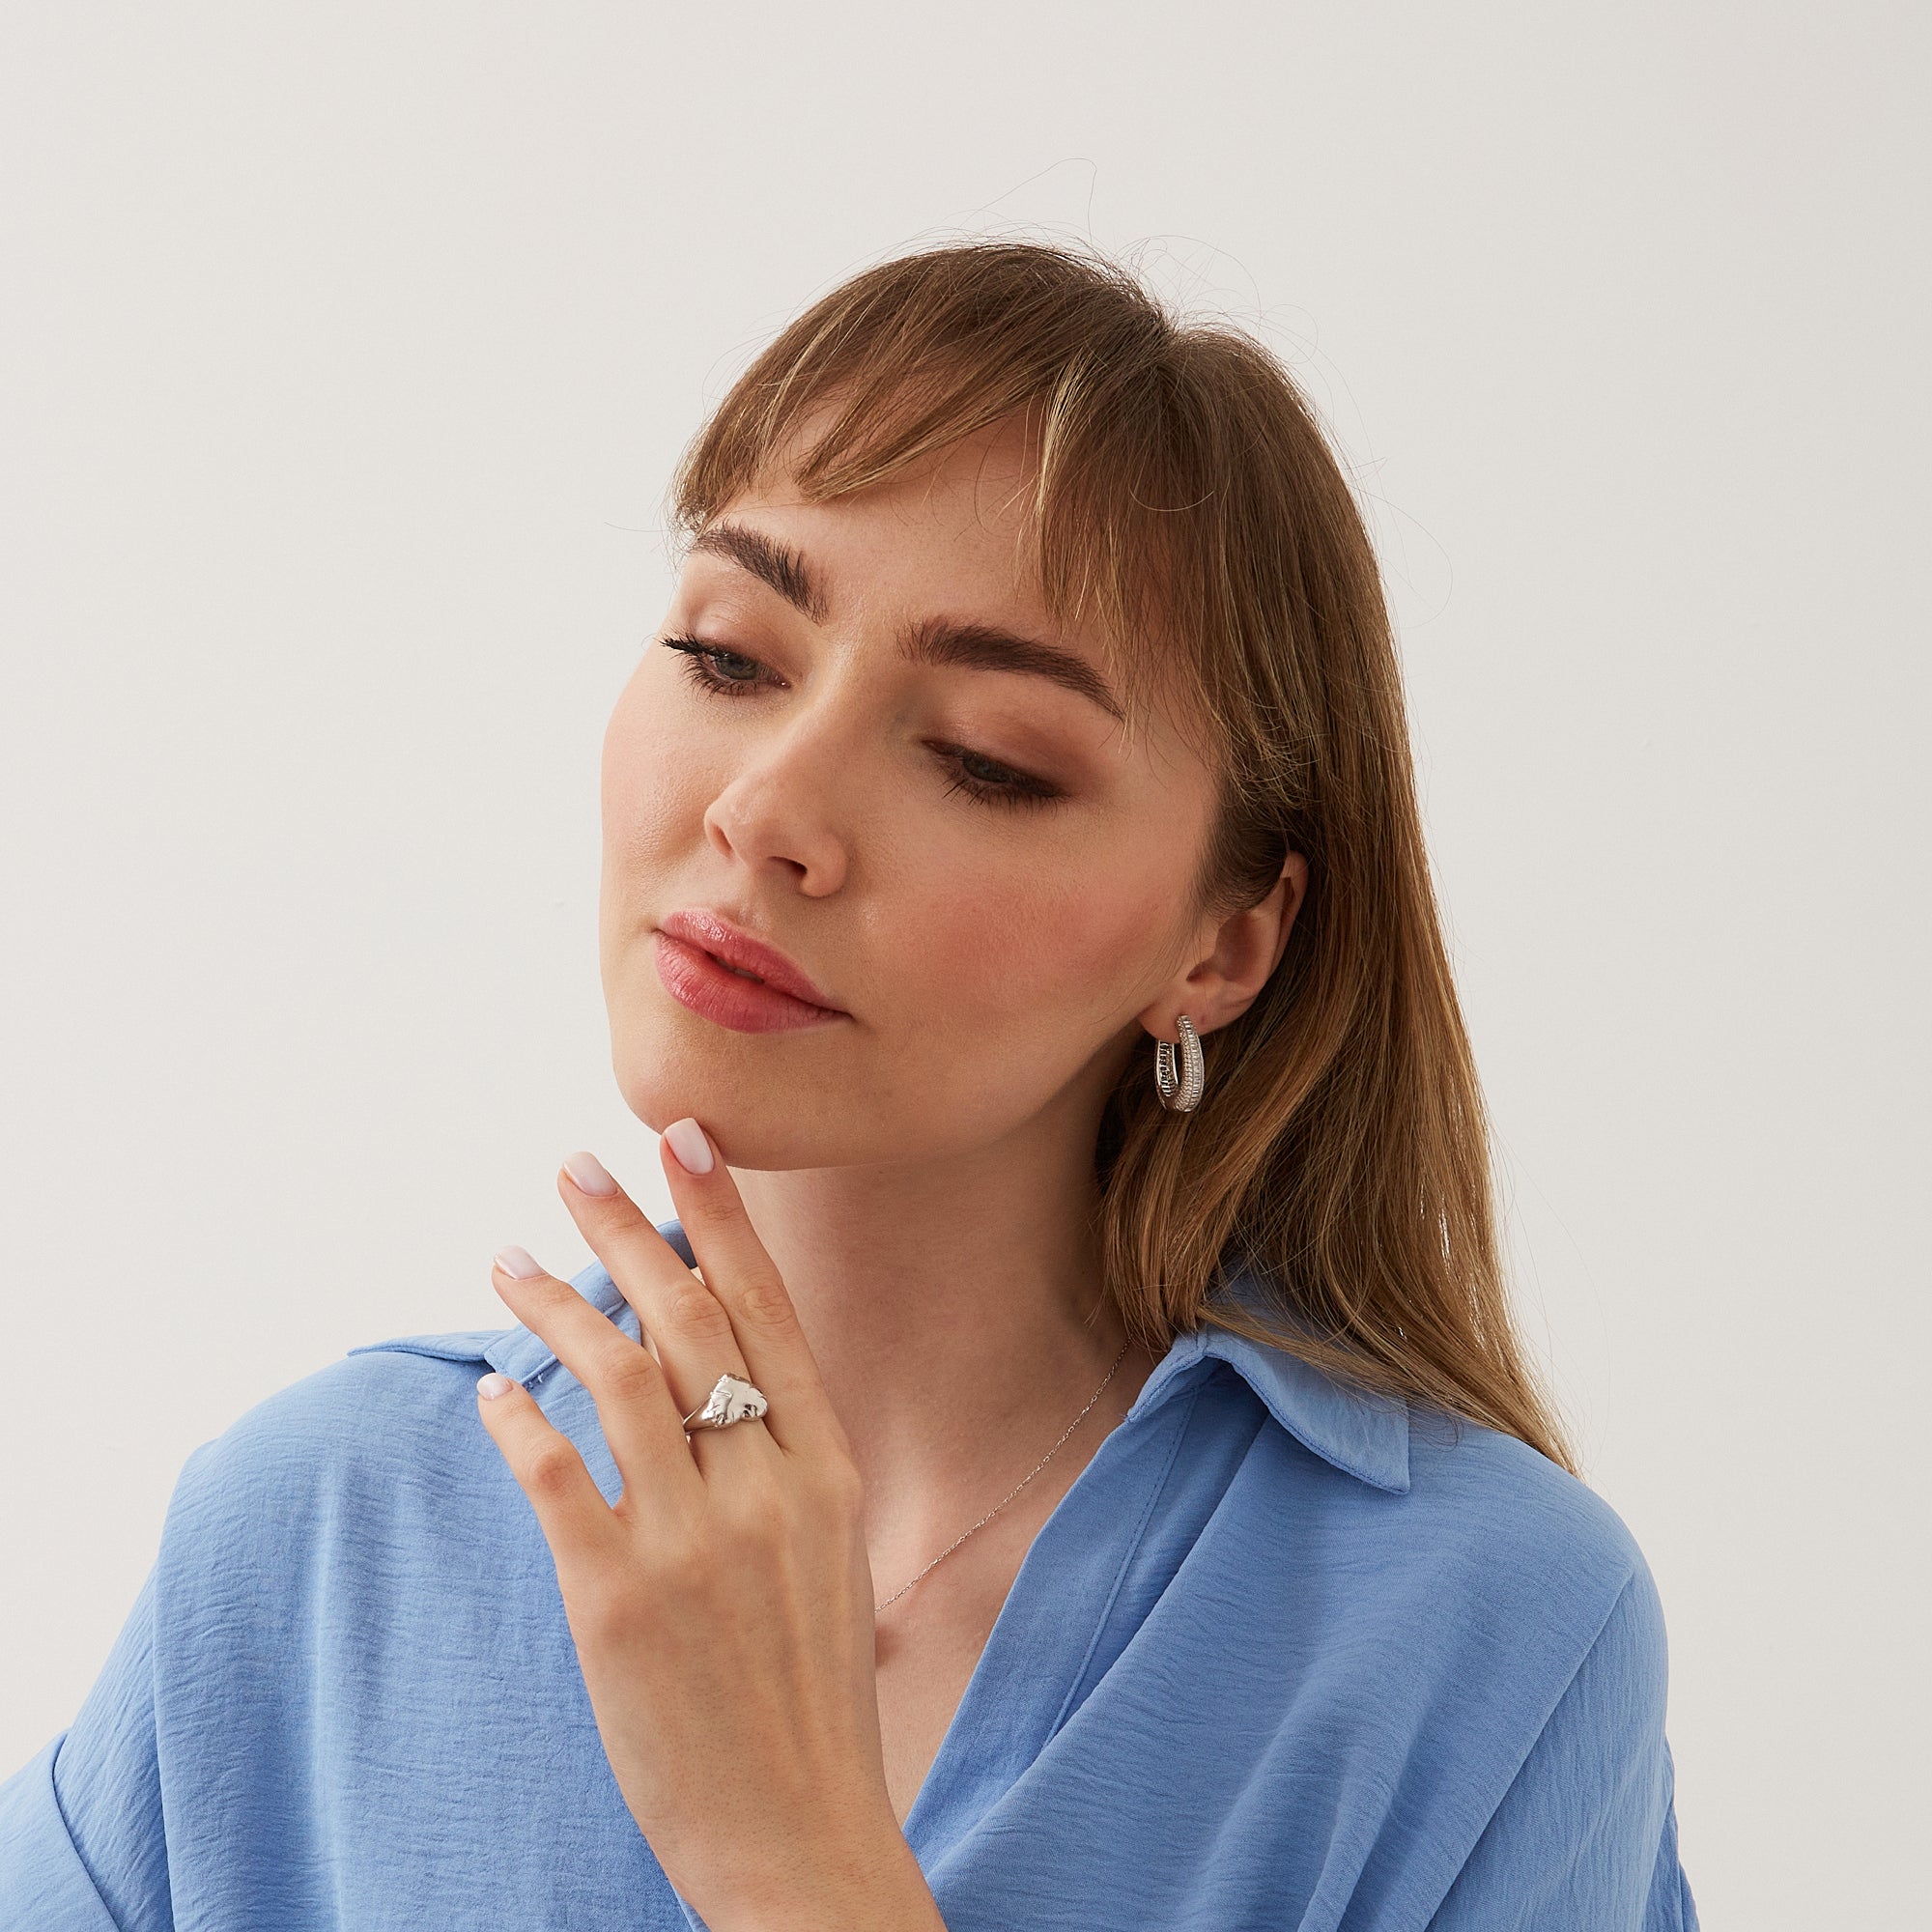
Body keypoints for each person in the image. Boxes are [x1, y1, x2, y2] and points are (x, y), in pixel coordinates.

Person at [0, 237, 1699, 1931]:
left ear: (1226, 944)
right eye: (729, 656)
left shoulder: (1488, 1640)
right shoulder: (317, 1538)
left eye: (986, 761)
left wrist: (789, 1863)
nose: (767, 811)